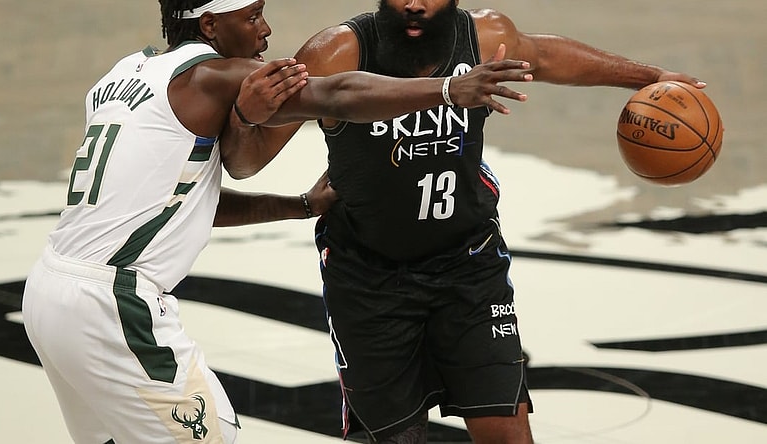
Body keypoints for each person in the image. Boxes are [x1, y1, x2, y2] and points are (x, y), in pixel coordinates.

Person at [19, 1, 534, 443]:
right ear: (210, 26)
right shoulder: (214, 76)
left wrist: (299, 206)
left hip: (47, 296)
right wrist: (448, 90)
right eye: (254, 15)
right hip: (114, 303)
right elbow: (338, 95)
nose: (265, 30)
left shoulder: (121, 78)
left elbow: (169, 204)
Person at [237, 1, 707, 443]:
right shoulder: (336, 52)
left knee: (507, 430)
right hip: (368, 279)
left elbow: (543, 56)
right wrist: (243, 116)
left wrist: (649, 77)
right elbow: (245, 161)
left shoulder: (485, 36)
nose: (415, 5)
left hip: (469, 267)